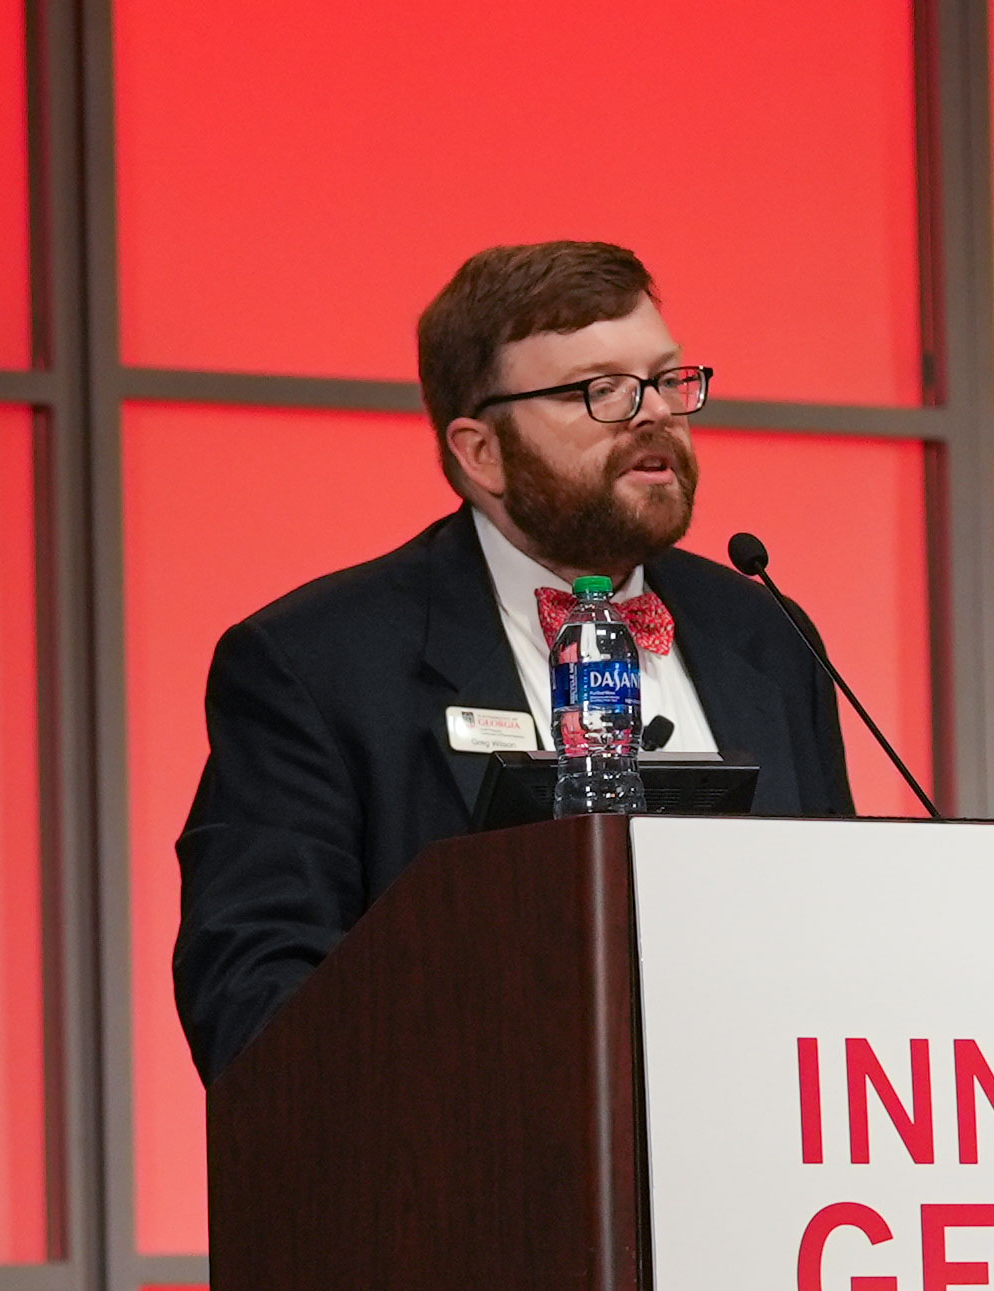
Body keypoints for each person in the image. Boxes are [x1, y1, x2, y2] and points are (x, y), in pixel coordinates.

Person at [172, 240, 857, 1080]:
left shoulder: (765, 635)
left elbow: (838, 939)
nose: (652, 416)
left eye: (665, 379)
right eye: (598, 390)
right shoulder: (315, 663)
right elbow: (253, 996)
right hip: (471, 1179)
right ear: (479, 452)